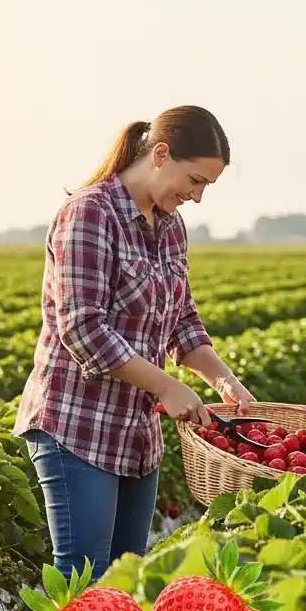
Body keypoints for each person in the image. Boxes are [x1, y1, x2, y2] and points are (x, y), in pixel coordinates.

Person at [14, 106, 256, 580]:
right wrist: (167, 386)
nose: (197, 196)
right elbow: (83, 328)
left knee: (126, 580)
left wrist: (225, 382)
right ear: (160, 154)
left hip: (136, 435)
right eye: (195, 180)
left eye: (207, 186)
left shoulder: (171, 227)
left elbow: (182, 322)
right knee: (83, 578)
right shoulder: (90, 214)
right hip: (77, 426)